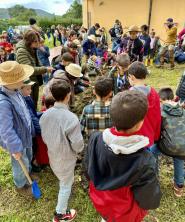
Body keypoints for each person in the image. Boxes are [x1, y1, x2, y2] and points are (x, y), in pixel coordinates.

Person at [86, 90, 161, 222]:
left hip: (101, 202)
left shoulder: (95, 138)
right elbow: (149, 200)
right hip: (125, 213)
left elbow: (88, 168)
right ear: (140, 123)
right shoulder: (145, 161)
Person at [40, 79, 84, 222]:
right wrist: (78, 151)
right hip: (66, 159)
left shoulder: (45, 115)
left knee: (62, 179)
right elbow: (78, 144)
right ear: (68, 95)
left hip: (53, 155)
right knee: (65, 185)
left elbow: (45, 136)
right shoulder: (71, 118)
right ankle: (60, 214)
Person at [0, 61, 35, 196]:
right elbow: (5, 130)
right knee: (20, 162)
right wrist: (15, 148)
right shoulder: (3, 103)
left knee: (29, 156)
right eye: (21, 79)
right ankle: (21, 185)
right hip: (16, 140)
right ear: (10, 82)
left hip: (25, 133)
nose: (23, 80)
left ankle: (29, 175)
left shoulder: (16, 90)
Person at [151, 87, 184, 197]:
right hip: (184, 146)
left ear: (160, 100)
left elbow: (157, 131)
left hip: (168, 146)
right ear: (173, 98)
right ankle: (179, 187)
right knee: (179, 158)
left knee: (152, 151)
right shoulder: (182, 110)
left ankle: (154, 178)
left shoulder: (160, 111)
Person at [16, 30, 53, 107]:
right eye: (35, 41)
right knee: (29, 105)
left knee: (34, 103)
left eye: (38, 41)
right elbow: (29, 69)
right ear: (29, 41)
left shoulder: (32, 48)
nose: (38, 43)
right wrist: (44, 69)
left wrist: (41, 68)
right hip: (27, 83)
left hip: (34, 81)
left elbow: (37, 60)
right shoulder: (21, 51)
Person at [128, 61, 161, 147]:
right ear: (145, 76)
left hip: (134, 139)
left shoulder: (129, 95)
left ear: (131, 77)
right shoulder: (154, 93)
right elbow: (157, 117)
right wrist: (156, 136)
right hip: (149, 137)